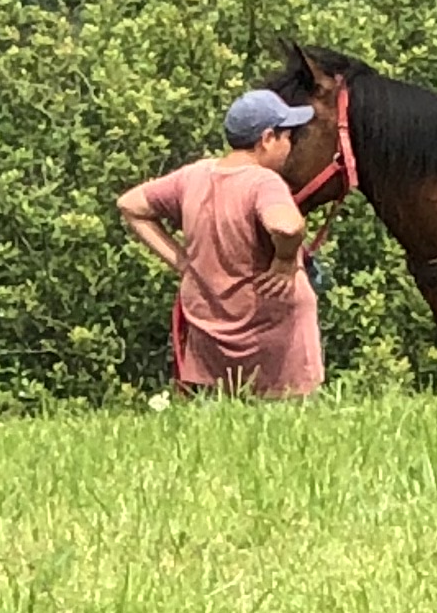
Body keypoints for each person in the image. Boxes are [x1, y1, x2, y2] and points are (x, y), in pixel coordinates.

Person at [117, 87, 326, 396]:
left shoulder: (194, 176)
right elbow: (287, 227)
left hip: (212, 341)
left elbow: (130, 204)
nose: (290, 146)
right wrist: (284, 262)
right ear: (267, 138)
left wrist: (181, 262)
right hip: (275, 345)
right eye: (288, 137)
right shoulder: (263, 181)